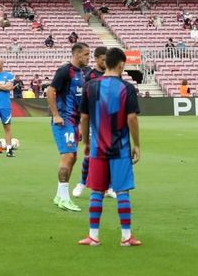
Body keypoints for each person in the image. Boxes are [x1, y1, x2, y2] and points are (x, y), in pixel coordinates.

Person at [77, 47, 142, 247]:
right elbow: (131, 118)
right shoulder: (127, 88)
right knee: (122, 192)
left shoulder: (90, 86)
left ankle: (93, 236)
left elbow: (85, 117)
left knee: (97, 191)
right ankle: (126, 237)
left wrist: (86, 142)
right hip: (120, 148)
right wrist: (137, 144)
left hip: (97, 148)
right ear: (121, 64)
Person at [46, 42, 89, 211]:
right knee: (68, 157)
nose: (87, 57)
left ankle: (59, 196)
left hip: (74, 122)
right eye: (86, 54)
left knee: (73, 157)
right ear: (77, 54)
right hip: (63, 120)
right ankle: (64, 198)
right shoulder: (65, 71)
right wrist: (56, 115)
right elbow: (50, 91)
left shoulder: (82, 73)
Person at [73, 46, 111, 199]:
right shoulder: (89, 76)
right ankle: (82, 182)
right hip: (93, 121)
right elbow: (84, 103)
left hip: (109, 121)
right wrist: (82, 126)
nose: (106, 62)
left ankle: (108, 187)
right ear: (96, 59)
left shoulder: (113, 75)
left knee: (109, 155)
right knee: (89, 154)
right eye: (103, 59)